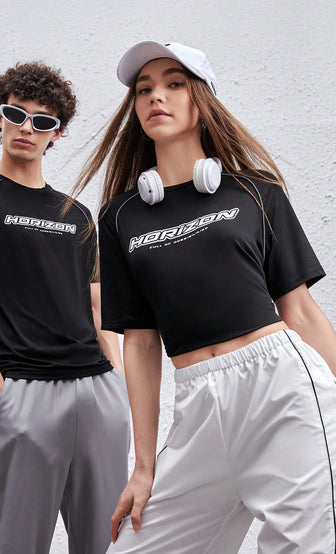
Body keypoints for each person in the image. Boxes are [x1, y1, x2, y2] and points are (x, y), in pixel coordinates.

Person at [71, 41, 336, 552]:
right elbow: (140, 342)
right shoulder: (122, 217)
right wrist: (143, 467)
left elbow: (301, 312)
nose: (156, 97)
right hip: (198, 403)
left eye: (174, 84)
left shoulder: (255, 192)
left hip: (282, 389)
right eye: (144, 89)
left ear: (202, 99)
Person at [0, 61, 130, 554]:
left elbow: (98, 306)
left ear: (56, 133)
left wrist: (118, 381)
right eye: (16, 113)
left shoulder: (78, 214)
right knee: (16, 544)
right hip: (25, 392)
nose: (27, 127)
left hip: (98, 393)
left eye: (43, 121)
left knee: (109, 542)